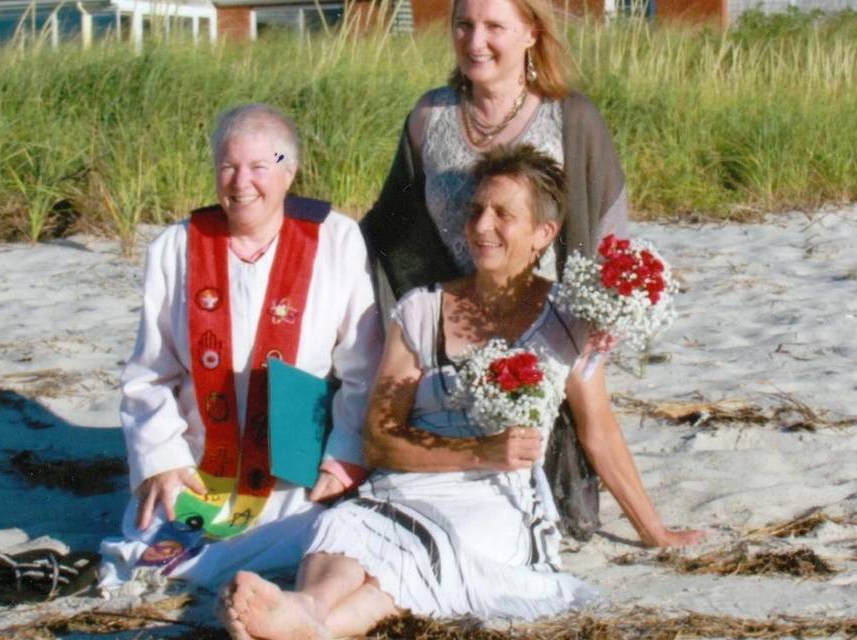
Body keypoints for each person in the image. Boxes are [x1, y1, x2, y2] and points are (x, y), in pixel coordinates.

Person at [220, 145, 703, 639]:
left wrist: (654, 530)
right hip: (407, 483)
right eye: (475, 211)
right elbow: (380, 439)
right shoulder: (421, 310)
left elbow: (598, 433)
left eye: (503, 215)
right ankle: (310, 608)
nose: (481, 226)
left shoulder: (569, 322)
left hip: (498, 500)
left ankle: (315, 623)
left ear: (544, 233)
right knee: (347, 528)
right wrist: (479, 450)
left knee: (425, 547)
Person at [361, 0, 629, 541]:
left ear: (531, 33)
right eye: (464, 25)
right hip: (454, 336)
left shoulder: (571, 117)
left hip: (545, 333)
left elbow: (607, 225)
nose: (475, 41)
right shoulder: (427, 117)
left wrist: (605, 311)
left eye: (494, 27)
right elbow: (392, 232)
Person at [98, 104, 382, 590]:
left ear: (288, 172)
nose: (241, 182)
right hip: (200, 465)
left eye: (259, 167)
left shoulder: (336, 239)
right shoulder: (175, 248)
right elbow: (149, 375)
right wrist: (162, 461)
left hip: (296, 472)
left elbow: (363, 367)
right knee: (151, 551)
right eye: (228, 167)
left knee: (327, 537)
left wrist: (344, 455)